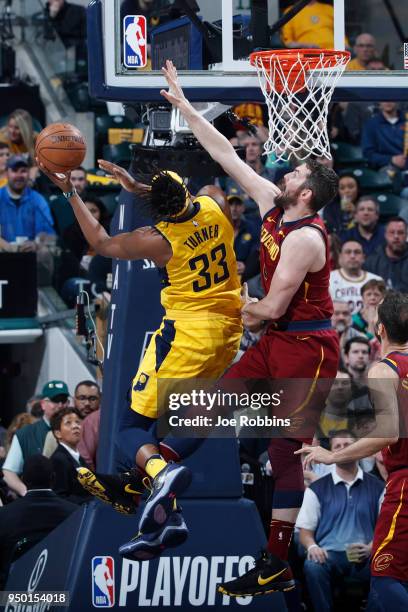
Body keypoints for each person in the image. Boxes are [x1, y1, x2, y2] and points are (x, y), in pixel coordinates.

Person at [158, 60, 340, 596]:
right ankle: (159, 469)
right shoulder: (271, 203)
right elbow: (224, 154)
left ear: (306, 195)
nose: (285, 173)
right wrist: (186, 106)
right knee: (214, 399)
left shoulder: (307, 237)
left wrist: (210, 298)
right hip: (279, 339)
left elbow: (266, 308)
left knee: (284, 453)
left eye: (296, 176)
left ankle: (276, 562)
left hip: (308, 348)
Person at [38, 148, 242, 557]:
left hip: (188, 335)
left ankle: (160, 475)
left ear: (156, 209)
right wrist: (140, 188)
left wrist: (70, 192)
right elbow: (188, 193)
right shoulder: (214, 205)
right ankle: (162, 512)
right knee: (180, 421)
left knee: (130, 428)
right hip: (228, 334)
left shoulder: (158, 240)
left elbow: (99, 240)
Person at [299, 291, 408, 612]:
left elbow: (387, 433)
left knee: (387, 577)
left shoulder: (383, 369)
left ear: (381, 331)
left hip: (405, 483)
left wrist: (332, 456)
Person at [297, 431, 384, 612]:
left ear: (357, 449)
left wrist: (372, 547)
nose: (343, 449)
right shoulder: (316, 488)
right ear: (331, 452)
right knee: (312, 566)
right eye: (338, 446)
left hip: (367, 555)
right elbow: (305, 531)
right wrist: (313, 547)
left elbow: (385, 527)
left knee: (387, 563)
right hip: (329, 556)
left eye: (348, 445)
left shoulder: (377, 487)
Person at [0, 454, 77, 589]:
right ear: (53, 478)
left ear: (23, 479)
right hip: (60, 595)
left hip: (12, 598)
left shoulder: (4, 515)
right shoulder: (75, 514)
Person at [2, 381, 70, 497]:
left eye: (63, 400)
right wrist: (26, 492)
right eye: (55, 400)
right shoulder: (26, 433)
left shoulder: (77, 431)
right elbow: (9, 472)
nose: (60, 405)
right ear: (43, 404)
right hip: (38, 504)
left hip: (70, 502)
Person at [0, 155, 55, 247]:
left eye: (23, 171)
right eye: (14, 171)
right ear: (6, 174)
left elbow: (48, 233)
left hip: (31, 254)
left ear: (29, 173)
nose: (19, 175)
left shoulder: (37, 199)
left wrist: (36, 244)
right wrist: (9, 247)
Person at [49, 407, 91, 504]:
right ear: (58, 433)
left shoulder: (79, 458)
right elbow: (60, 497)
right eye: (68, 423)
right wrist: (91, 502)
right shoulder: (58, 459)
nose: (75, 426)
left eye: (77, 422)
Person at [330, 240, 383, 314]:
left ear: (363, 257)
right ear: (340, 257)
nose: (352, 256)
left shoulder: (376, 280)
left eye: (357, 252)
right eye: (348, 252)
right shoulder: (329, 279)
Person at [365, 217, 408, 292]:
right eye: (392, 232)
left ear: (406, 235)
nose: (396, 236)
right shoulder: (371, 262)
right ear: (385, 235)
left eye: (400, 233)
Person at [361, 102, 406, 171]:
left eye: (391, 97)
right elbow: (368, 154)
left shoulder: (406, 120)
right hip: (386, 167)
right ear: (379, 102)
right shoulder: (371, 124)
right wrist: (391, 159)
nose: (387, 101)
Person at [226, 193, 259, 276]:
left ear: (243, 208)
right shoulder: (218, 228)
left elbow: (256, 252)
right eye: (230, 204)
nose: (234, 209)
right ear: (225, 208)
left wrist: (246, 267)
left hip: (244, 274)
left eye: (237, 205)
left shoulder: (252, 228)